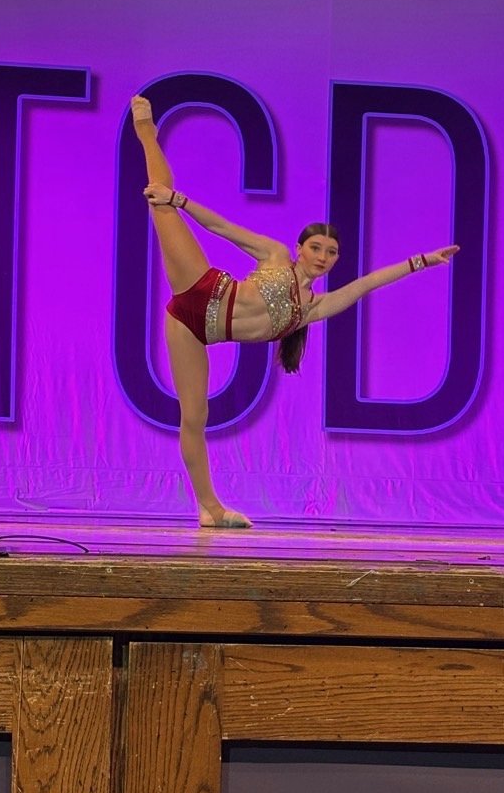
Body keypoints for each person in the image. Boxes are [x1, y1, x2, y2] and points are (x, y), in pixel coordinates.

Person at [131, 95, 459, 528]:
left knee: (195, 417)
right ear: (301, 248)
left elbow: (368, 284)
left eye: (332, 253)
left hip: (192, 329)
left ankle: (208, 509)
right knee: (162, 208)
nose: (323, 256)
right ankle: (147, 134)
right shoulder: (274, 254)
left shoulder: (313, 308)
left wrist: (421, 261)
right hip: (200, 287)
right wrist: (180, 199)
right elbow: (223, 228)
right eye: (316, 248)